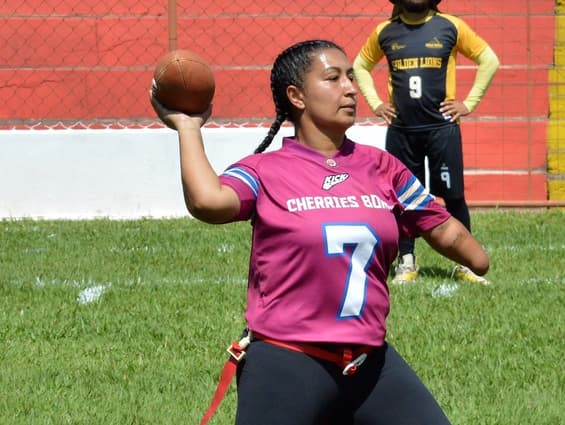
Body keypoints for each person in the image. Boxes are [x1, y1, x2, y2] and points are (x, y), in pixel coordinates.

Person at [151, 39, 489, 425]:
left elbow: (439, 226)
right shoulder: (267, 170)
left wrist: (469, 251)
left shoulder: (382, 167)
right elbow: (208, 202)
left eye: (350, 77)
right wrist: (187, 127)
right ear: (296, 96)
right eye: (333, 78)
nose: (350, 88)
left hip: (370, 363)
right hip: (288, 361)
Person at [353, 0, 499, 284]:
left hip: (442, 129)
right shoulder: (385, 31)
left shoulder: (450, 26)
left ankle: (465, 263)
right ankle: (406, 260)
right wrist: (375, 103)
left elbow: (489, 59)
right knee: (402, 198)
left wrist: (469, 103)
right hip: (402, 131)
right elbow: (360, 66)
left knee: (453, 195)